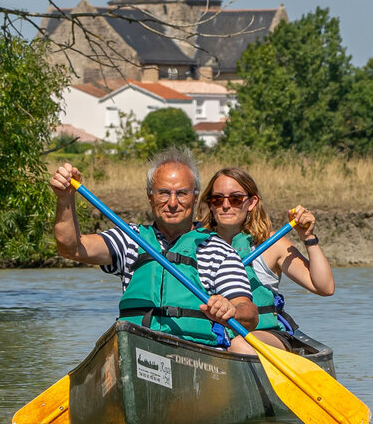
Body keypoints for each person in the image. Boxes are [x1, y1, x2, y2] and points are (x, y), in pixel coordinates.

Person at [49, 150, 262, 353]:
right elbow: (71, 247)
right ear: (150, 197)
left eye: (181, 194)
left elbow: (249, 313)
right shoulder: (129, 239)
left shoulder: (220, 251)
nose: (172, 203)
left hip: (195, 353)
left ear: (195, 197)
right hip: (137, 346)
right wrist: (65, 198)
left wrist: (231, 310)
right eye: (163, 193)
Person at [200, 166, 333, 350]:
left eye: (236, 199)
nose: (226, 205)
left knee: (239, 343)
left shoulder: (271, 244)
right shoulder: (196, 244)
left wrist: (308, 237)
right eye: (217, 199)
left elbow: (324, 287)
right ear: (210, 203)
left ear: (252, 202)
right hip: (208, 337)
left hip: (264, 335)